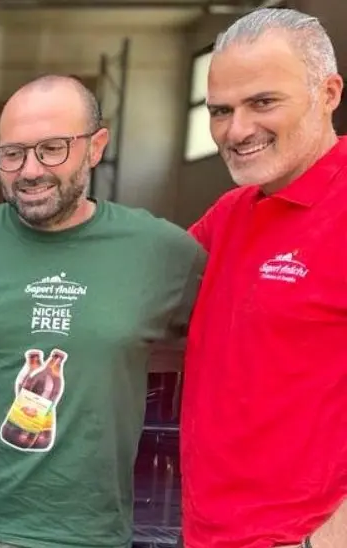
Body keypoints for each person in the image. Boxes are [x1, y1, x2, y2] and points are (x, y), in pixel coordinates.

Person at [0, 74, 205, 548]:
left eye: (51, 149)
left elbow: (236, 349)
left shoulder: (160, 252)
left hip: (85, 535)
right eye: (13, 153)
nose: (29, 170)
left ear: (95, 146)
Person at [182, 8, 347, 548]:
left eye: (263, 103)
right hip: (207, 533)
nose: (237, 130)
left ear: (328, 93)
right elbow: (131, 293)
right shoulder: (231, 214)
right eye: (221, 110)